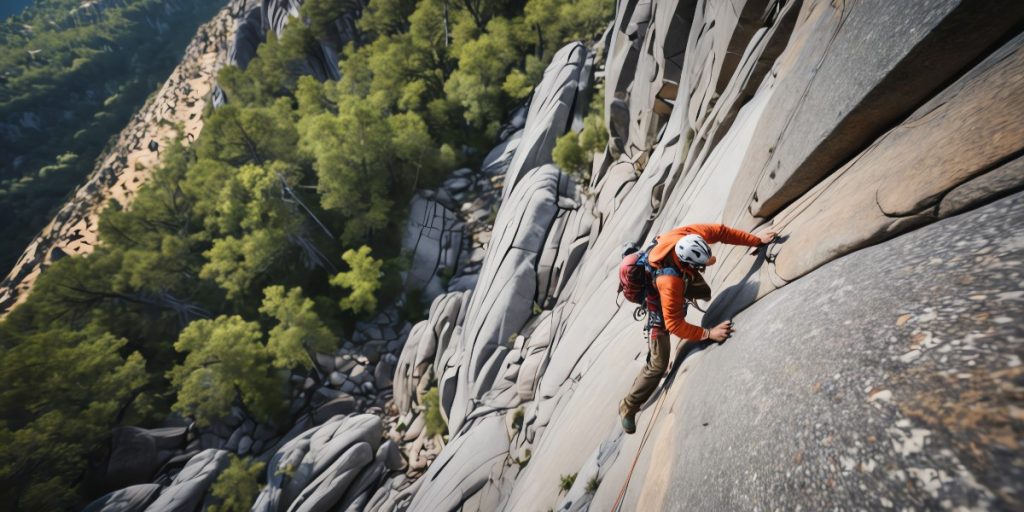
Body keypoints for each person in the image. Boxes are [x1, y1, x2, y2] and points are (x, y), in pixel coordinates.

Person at [619, 223, 778, 434]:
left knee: (703, 291)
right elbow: (674, 324)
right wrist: (708, 334)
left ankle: (679, 300)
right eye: (698, 267)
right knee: (658, 364)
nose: (703, 269)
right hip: (655, 297)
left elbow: (721, 232)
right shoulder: (669, 281)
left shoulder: (687, 234)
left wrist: (755, 240)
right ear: (686, 264)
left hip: (669, 271)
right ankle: (628, 407)